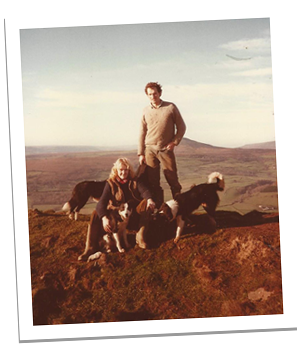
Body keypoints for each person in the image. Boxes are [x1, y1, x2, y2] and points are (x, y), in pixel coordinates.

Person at [78, 158, 156, 260]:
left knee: (146, 202)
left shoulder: (135, 181)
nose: (123, 172)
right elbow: (101, 203)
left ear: (129, 170)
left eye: (126, 170)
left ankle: (140, 237)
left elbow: (145, 191)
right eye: (121, 170)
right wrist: (104, 218)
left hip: (134, 215)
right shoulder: (110, 183)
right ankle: (90, 247)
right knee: (95, 213)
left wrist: (150, 199)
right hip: (117, 217)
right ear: (116, 170)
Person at [138, 82, 186, 207]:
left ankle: (178, 208)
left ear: (160, 93)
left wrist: (174, 142)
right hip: (149, 150)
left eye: (155, 93)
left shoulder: (170, 107)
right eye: (150, 94)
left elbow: (181, 127)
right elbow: (142, 132)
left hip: (165, 149)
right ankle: (158, 209)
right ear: (147, 96)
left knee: (172, 179)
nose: (152, 96)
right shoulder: (145, 110)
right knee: (153, 182)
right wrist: (140, 153)